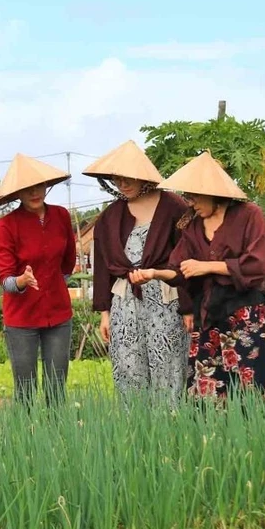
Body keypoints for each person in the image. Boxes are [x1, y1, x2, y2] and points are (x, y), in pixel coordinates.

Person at [154, 151, 265, 402]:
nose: (190, 202)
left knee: (249, 381)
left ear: (212, 192)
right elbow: (179, 268)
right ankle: (212, 437)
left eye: (194, 196)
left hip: (243, 310)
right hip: (207, 312)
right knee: (206, 384)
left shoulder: (249, 215)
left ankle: (254, 433)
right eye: (187, 196)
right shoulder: (194, 226)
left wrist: (208, 266)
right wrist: (154, 273)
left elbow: (256, 265)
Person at [83, 140, 191, 404]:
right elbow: (102, 268)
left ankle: (172, 429)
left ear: (143, 176)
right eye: (117, 178)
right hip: (124, 301)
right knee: (128, 365)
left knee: (168, 364)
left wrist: (189, 307)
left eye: (128, 177)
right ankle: (135, 432)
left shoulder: (174, 206)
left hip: (165, 299)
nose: (122, 183)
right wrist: (105, 314)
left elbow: (187, 257)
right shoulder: (110, 216)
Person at [0, 153, 76, 406]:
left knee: (56, 388)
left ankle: (56, 440)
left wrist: (52, 284)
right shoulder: (6, 226)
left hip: (59, 314)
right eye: (27, 189)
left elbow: (68, 263)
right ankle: (26, 440)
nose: (34, 193)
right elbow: (5, 280)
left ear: (46, 186)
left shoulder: (61, 216)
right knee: (25, 391)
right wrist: (22, 281)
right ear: (17, 193)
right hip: (22, 318)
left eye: (38, 186)